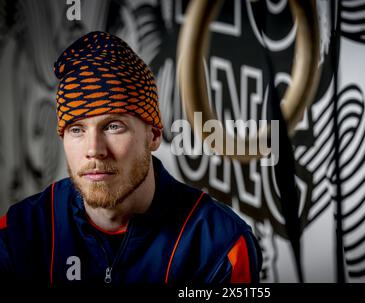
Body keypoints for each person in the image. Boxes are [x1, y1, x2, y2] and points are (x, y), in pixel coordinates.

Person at [0, 31, 261, 285]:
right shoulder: (19, 232)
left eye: (113, 126)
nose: (94, 149)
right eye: (77, 129)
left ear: (154, 136)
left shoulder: (219, 246)